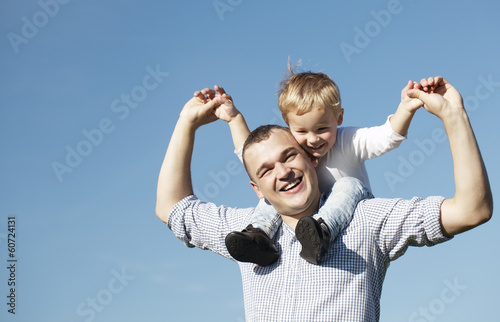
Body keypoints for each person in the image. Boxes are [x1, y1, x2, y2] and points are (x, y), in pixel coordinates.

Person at [155, 77, 492, 321]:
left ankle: (320, 231)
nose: (283, 172)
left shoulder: (367, 221)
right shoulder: (243, 235)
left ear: (311, 159)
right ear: (256, 188)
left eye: (289, 156)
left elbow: (471, 210)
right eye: (266, 171)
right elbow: (172, 208)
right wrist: (187, 123)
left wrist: (453, 115)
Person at [196, 69, 424, 265]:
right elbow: (252, 154)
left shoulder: (348, 141)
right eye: (302, 131)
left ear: (339, 118)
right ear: (289, 125)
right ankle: (259, 237)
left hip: (349, 214)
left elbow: (386, 137)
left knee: (347, 184)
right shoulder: (293, 146)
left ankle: (321, 231)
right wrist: (234, 118)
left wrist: (407, 108)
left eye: (322, 128)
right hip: (307, 220)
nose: (313, 140)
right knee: (270, 195)